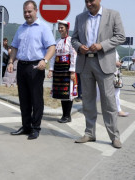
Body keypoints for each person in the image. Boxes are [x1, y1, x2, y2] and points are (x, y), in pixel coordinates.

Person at [71, 0, 125, 148]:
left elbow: (120, 36)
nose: (89, 4)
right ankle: (89, 133)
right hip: (85, 63)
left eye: (92, 0)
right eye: (86, 1)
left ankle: (114, 136)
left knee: (108, 101)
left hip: (104, 63)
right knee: (88, 100)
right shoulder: (80, 17)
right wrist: (79, 46)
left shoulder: (113, 15)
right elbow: (74, 39)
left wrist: (102, 45)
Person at [8, 0, 56, 140]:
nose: (27, 14)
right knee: (24, 99)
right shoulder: (20, 28)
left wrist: (45, 60)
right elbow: (14, 47)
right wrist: (11, 61)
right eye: (25, 12)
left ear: (36, 11)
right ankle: (26, 126)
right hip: (21, 66)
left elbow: (51, 46)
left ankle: (35, 128)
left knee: (36, 98)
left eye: (29, 11)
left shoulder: (43, 27)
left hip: (36, 66)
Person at [47, 20, 77, 123]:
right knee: (62, 93)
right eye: (59, 28)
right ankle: (64, 115)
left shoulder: (71, 41)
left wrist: (72, 71)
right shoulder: (57, 41)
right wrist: (51, 69)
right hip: (58, 69)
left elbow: (73, 56)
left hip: (67, 69)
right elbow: (53, 57)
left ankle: (67, 116)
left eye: (62, 28)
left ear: (67, 29)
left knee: (68, 93)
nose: (60, 29)